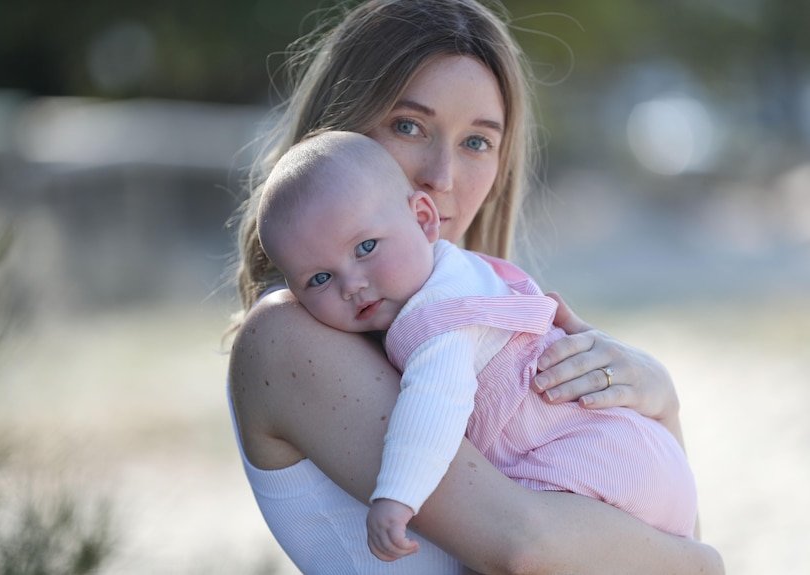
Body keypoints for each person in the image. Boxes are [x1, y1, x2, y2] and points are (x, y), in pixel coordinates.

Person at [227, 0, 724, 573]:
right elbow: (525, 549)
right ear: (339, 129)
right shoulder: (288, 334)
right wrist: (705, 566)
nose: (441, 178)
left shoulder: (480, 330)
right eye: (408, 126)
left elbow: (663, 535)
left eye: (477, 142)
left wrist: (662, 408)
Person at [256, 130, 698, 563]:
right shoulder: (472, 273)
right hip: (640, 465)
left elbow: (434, 403)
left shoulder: (435, 315)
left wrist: (397, 495)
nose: (351, 285)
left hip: (588, 462)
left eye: (366, 247)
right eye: (318, 279)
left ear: (423, 218)